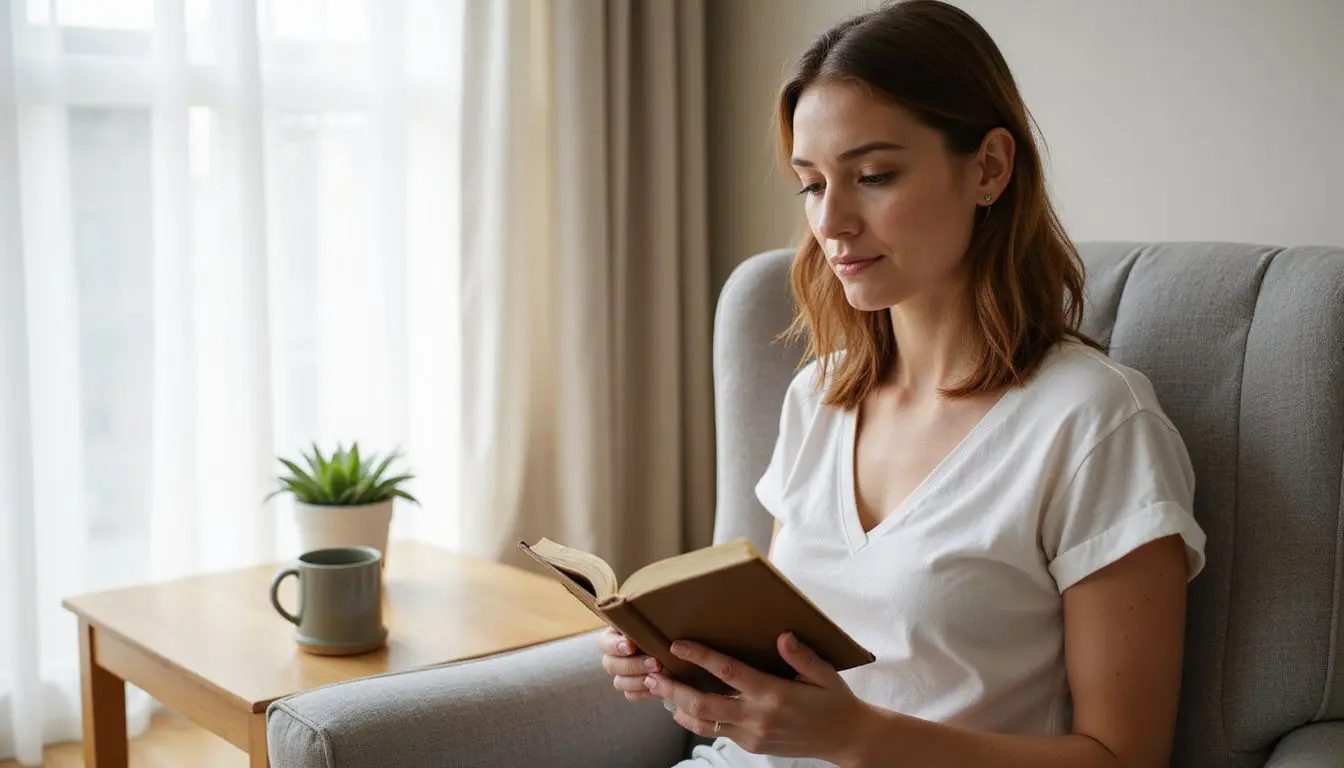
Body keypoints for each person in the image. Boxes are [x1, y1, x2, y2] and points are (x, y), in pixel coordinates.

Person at [599, 1, 1206, 766]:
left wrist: (858, 737)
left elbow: (1126, 758)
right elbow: (786, 665)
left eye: (874, 176)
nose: (834, 222)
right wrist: (681, 663)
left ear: (989, 167)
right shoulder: (818, 398)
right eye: (812, 185)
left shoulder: (1091, 424)